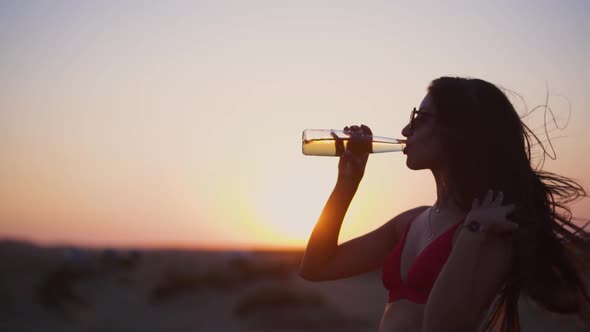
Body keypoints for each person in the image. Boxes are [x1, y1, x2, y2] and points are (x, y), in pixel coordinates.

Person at [298, 76, 590, 332]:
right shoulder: (411, 221)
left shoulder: (490, 227)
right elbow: (316, 267)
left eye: (419, 118)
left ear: (458, 130)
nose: (405, 130)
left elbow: (441, 327)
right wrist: (347, 184)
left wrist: (473, 232)